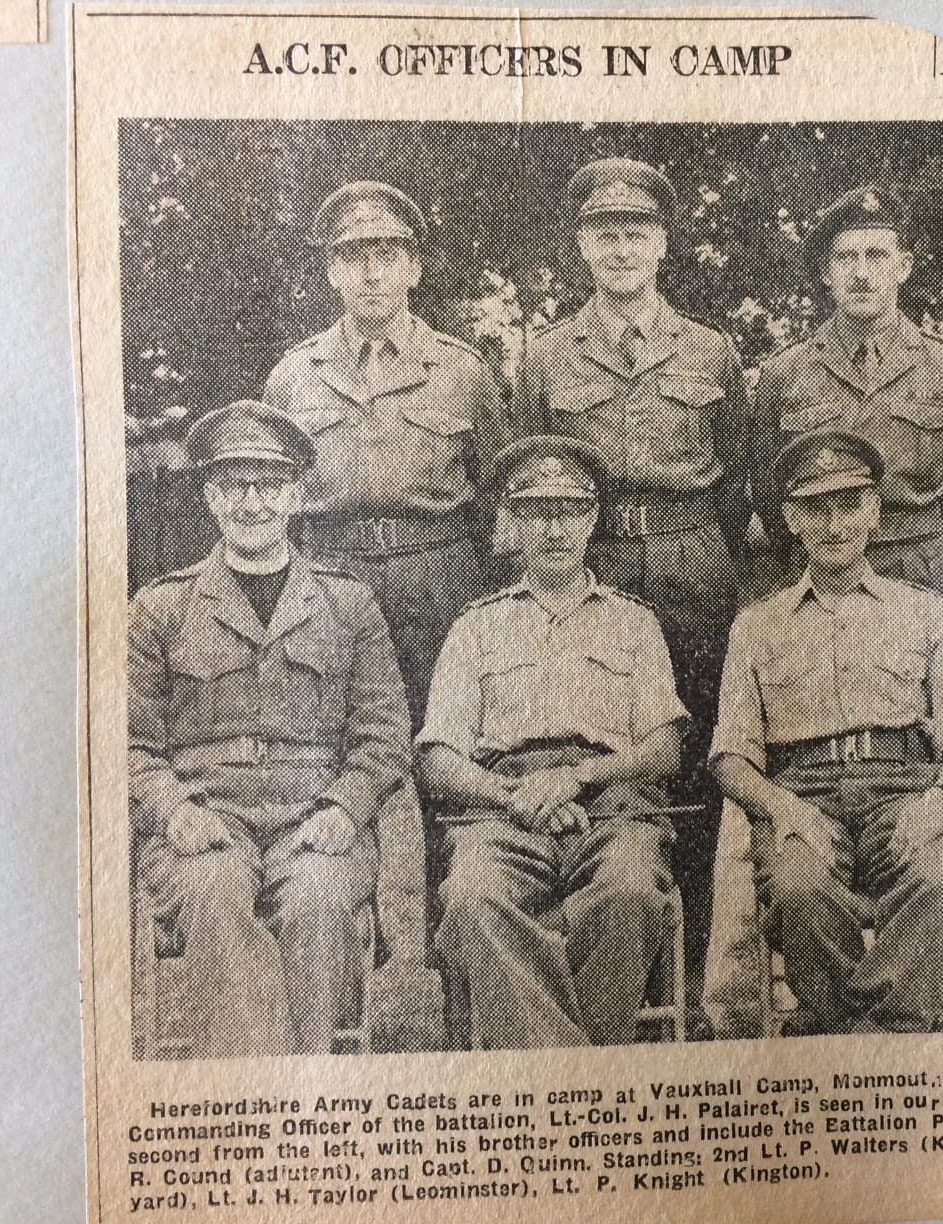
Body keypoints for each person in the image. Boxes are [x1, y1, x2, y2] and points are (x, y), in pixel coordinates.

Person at [513, 157, 750, 1031]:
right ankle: (591, 954)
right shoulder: (544, 358)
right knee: (595, 739)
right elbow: (535, 475)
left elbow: (738, 484)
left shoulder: (711, 350)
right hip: (595, 556)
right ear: (582, 246)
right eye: (604, 232)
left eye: (637, 231)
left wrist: (696, 549)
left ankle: (681, 971)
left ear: (662, 243)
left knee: (690, 761)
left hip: (692, 564)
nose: (621, 247)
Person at [128, 401, 410, 1057]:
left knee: (318, 899)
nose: (251, 502)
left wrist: (347, 807)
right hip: (206, 817)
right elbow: (129, 742)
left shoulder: (348, 604)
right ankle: (262, 1086)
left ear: (296, 494)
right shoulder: (161, 608)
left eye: (269, 484)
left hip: (314, 816)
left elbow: (384, 733)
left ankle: (300, 1083)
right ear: (209, 496)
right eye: (233, 485)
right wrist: (173, 811)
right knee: (213, 892)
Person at [711, 428, 943, 1035]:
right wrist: (781, 806)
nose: (834, 524)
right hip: (803, 790)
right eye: (814, 508)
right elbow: (730, 756)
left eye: (849, 504)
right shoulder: (757, 624)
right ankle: (834, 1029)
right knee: (793, 880)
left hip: (906, 785)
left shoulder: (924, 609)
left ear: (875, 509)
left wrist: (940, 800)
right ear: (789, 518)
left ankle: (893, 1029)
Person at [418, 435, 688, 1049]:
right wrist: (514, 795)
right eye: (534, 511)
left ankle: (542, 1055)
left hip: (612, 806)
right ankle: (577, 1063)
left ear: (592, 518)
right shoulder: (475, 627)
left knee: (628, 887)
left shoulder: (634, 621)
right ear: (508, 521)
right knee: (468, 896)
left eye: (568, 509)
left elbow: (666, 747)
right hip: (500, 810)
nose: (553, 528)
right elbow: (437, 758)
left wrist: (576, 780)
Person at [263, 181, 510, 728]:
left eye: (387, 255)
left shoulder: (461, 371)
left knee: (448, 730)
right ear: (331, 272)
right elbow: (273, 501)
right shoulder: (294, 377)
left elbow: (500, 493)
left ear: (414, 269)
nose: (371, 274)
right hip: (330, 578)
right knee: (333, 733)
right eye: (353, 257)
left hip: (439, 576)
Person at [749, 185, 943, 620]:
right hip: (818, 571)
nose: (861, 273)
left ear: (903, 267)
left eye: (876, 256)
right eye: (846, 258)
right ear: (826, 272)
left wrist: (931, 551)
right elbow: (769, 492)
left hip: (918, 569)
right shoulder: (783, 373)